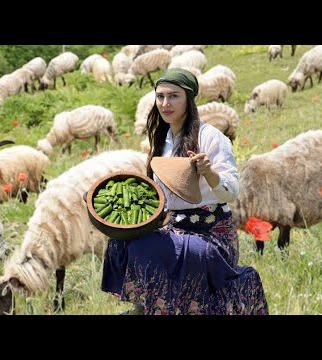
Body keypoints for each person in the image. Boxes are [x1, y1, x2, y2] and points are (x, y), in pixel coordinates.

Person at [101, 68, 268, 315]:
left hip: (211, 233)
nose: (165, 103)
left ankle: (146, 310)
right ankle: (148, 306)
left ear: (189, 99)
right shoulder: (162, 140)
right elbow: (161, 195)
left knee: (145, 248)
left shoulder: (211, 137)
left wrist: (209, 173)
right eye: (160, 96)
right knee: (120, 242)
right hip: (174, 228)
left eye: (173, 96)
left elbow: (231, 191)